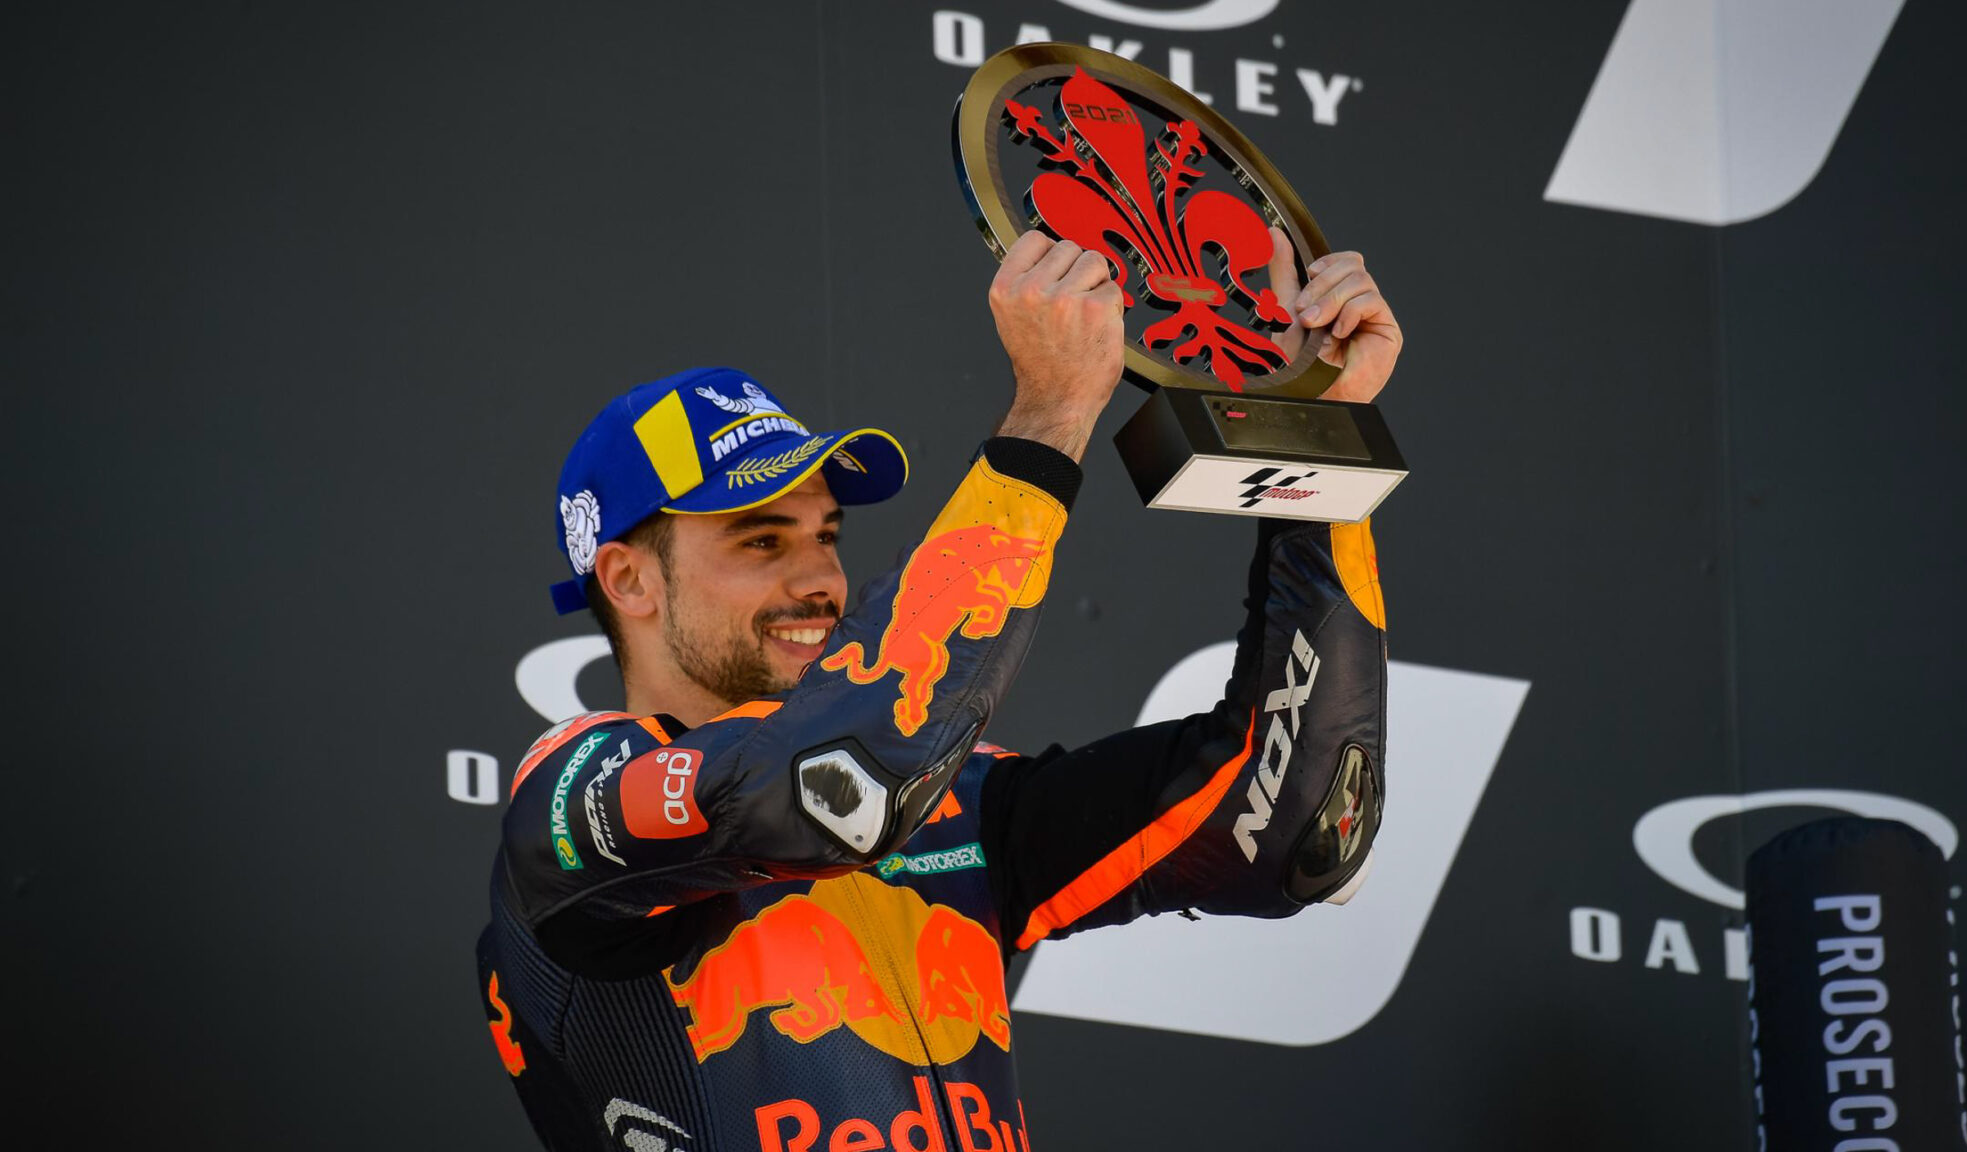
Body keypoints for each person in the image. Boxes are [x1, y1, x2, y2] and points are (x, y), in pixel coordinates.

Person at [477, 230, 1400, 1152]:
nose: (819, 580)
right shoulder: (568, 805)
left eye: (826, 535)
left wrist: (1315, 438)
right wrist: (1050, 417)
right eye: (761, 540)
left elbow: (1293, 826)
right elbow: (826, 788)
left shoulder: (961, 805)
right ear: (630, 579)